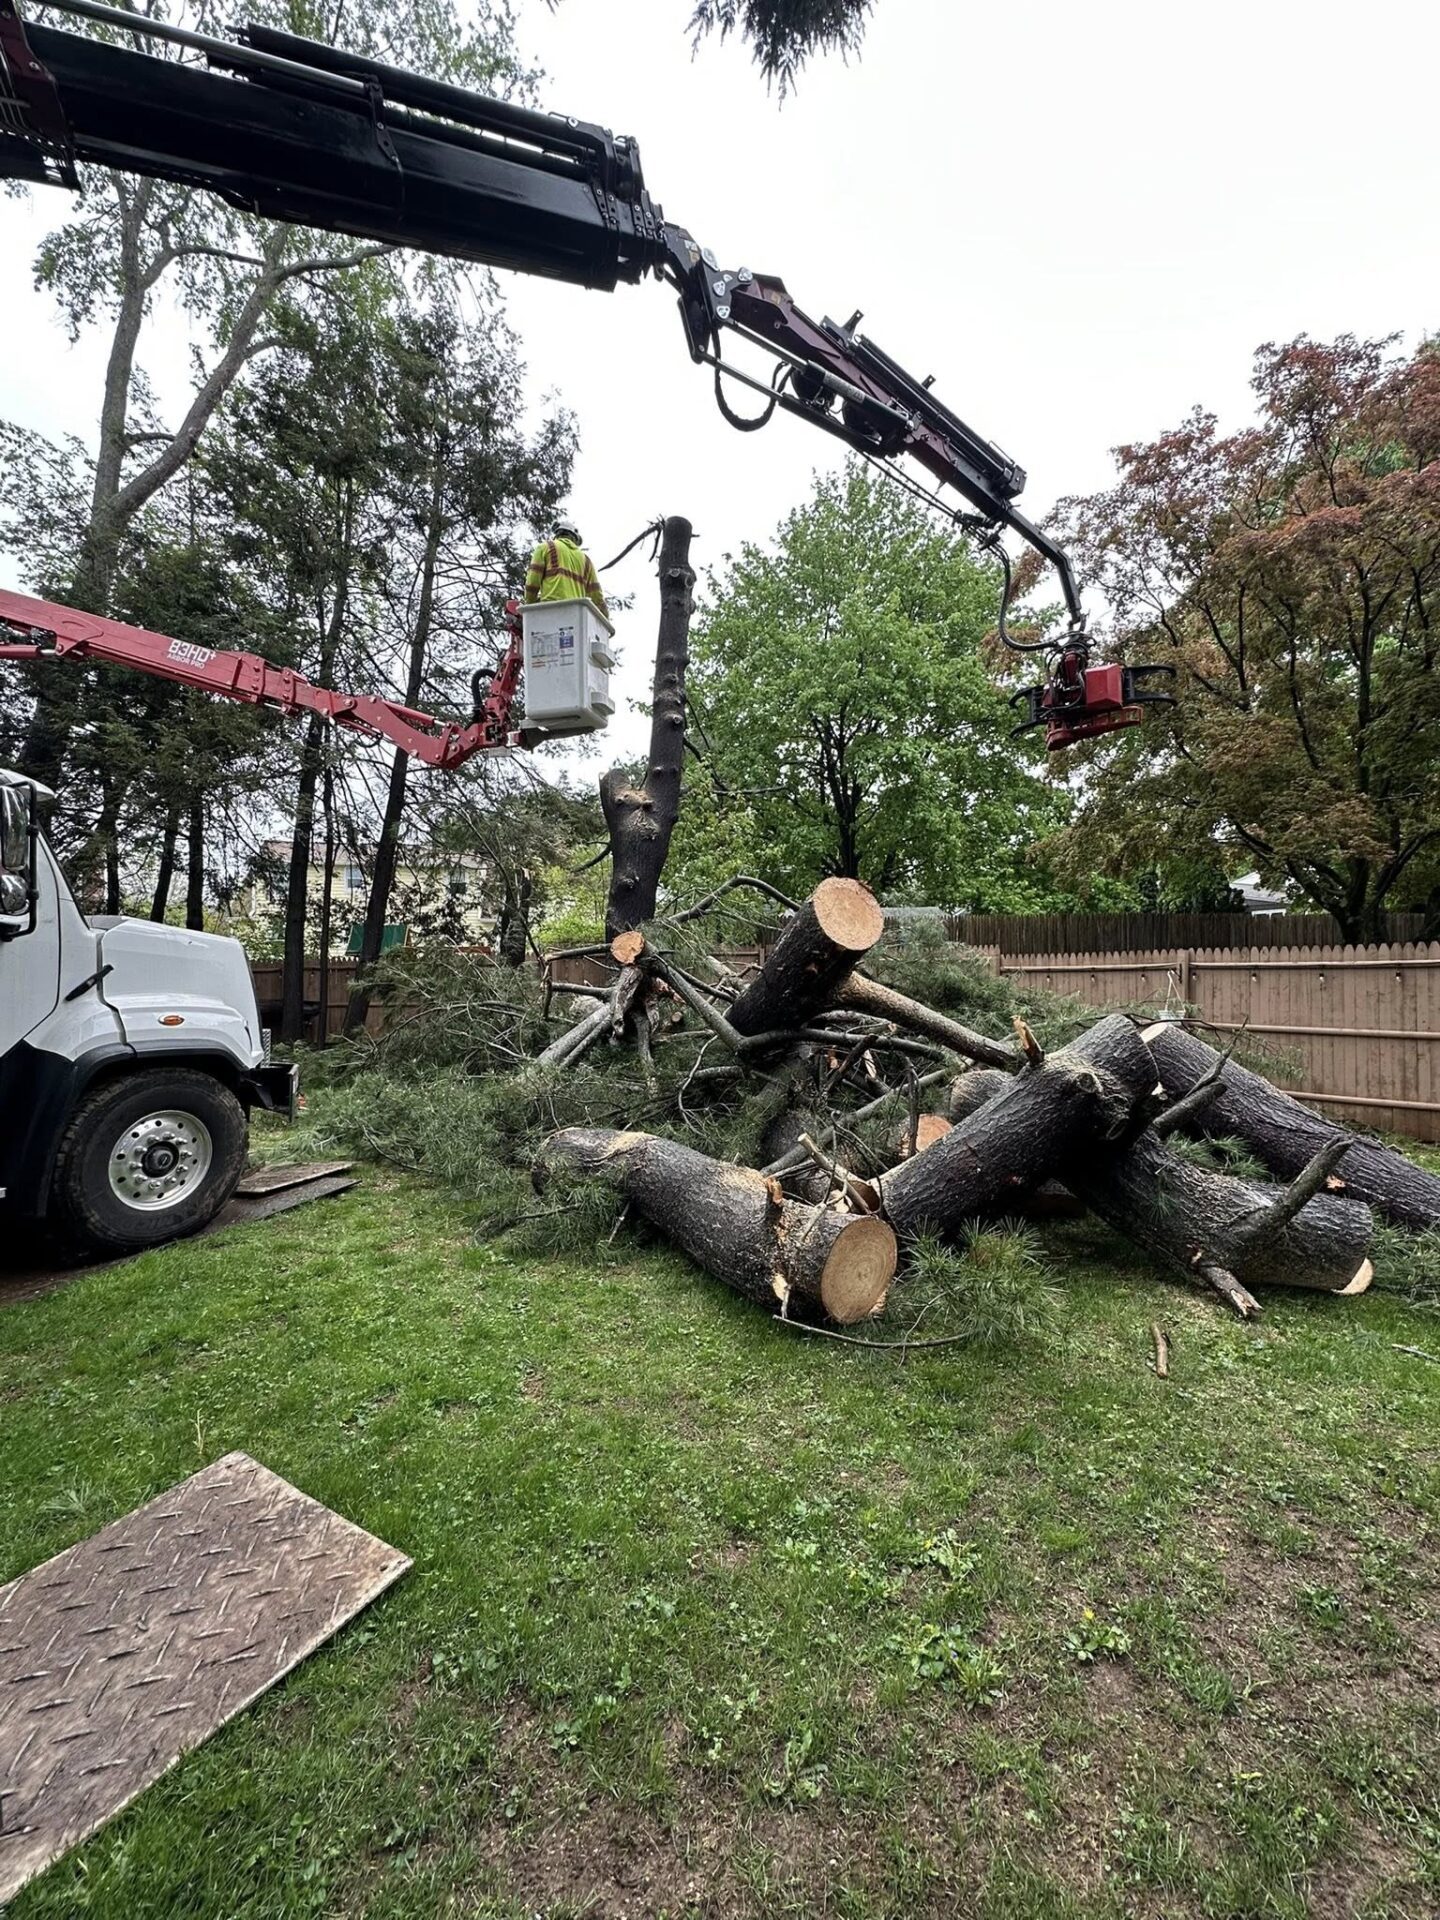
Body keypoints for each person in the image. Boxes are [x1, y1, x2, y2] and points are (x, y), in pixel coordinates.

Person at [523, 519, 609, 620]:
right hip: (576, 615)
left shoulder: (546, 547)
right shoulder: (586, 560)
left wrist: (529, 606)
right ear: (574, 539)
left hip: (549, 611)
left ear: (557, 534)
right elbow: (597, 596)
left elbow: (532, 583)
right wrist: (605, 620)